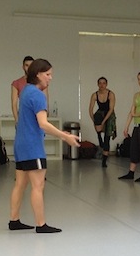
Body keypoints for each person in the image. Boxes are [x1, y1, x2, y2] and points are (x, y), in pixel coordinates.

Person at [9, 58, 80, 233]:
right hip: (33, 146)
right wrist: (65, 137)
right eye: (48, 74)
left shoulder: (25, 91)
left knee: (20, 184)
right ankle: (41, 224)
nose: (50, 78)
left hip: (20, 144)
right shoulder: (37, 95)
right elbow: (43, 123)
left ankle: (14, 220)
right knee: (38, 185)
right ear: (37, 74)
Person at [119, 71, 140, 182]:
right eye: (138, 79)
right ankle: (131, 172)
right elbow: (131, 112)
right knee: (133, 149)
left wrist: (135, 114)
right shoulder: (136, 95)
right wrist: (126, 127)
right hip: (137, 125)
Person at [88, 76, 116, 168]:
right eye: (100, 83)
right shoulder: (94, 95)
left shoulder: (111, 94)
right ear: (97, 84)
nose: (102, 85)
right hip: (100, 113)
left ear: (106, 84)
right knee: (98, 121)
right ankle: (99, 136)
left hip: (109, 114)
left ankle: (104, 161)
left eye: (104, 83)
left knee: (107, 138)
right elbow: (90, 109)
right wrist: (94, 121)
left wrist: (104, 122)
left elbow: (111, 109)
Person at [11, 55, 35, 124]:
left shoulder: (40, 82)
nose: (29, 68)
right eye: (27, 65)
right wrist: (17, 120)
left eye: (31, 65)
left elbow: (45, 100)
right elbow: (14, 104)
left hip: (37, 117)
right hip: (23, 118)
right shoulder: (16, 83)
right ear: (23, 67)